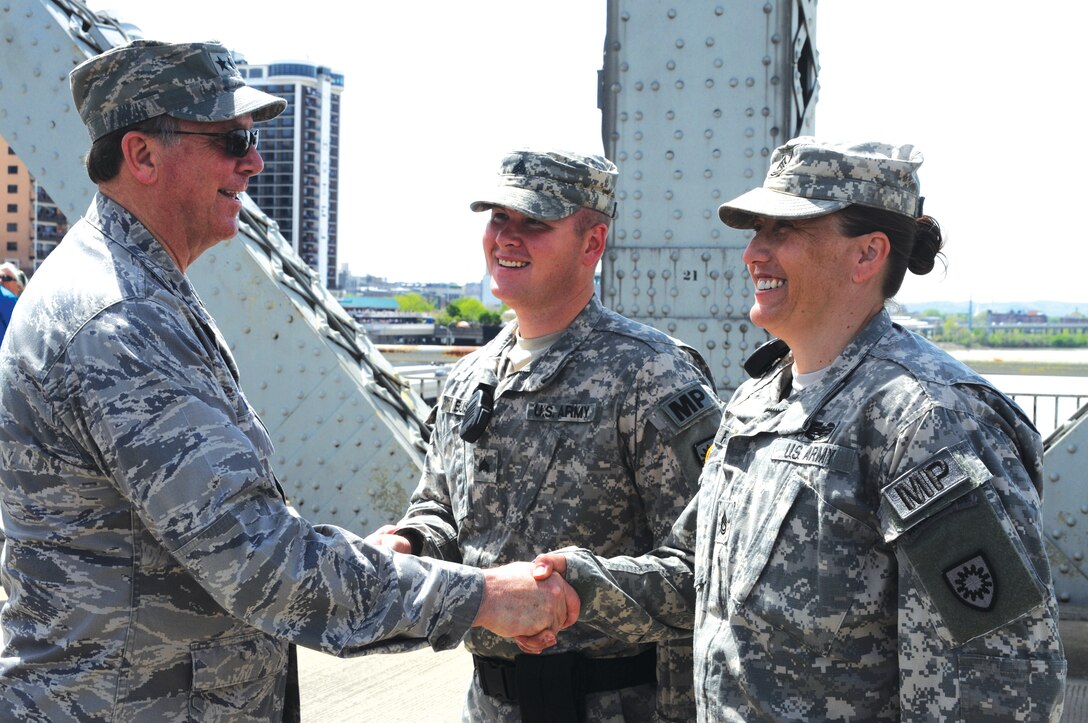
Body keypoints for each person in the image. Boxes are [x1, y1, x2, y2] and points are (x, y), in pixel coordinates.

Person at [0, 40, 577, 721]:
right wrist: (485, 596)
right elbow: (261, 566)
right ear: (142, 155)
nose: (254, 160)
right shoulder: (119, 321)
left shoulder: (136, 292)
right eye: (230, 139)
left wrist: (377, 561)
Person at [530, 137, 1068, 720]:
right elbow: (696, 576)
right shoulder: (758, 403)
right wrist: (573, 587)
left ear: (866, 255)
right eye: (756, 231)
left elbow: (1000, 681)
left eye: (783, 231)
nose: (753, 253)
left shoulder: (927, 420)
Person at [367, 149, 723, 722]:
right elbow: (442, 510)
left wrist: (574, 594)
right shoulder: (470, 377)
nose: (507, 238)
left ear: (592, 243)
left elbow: (706, 571)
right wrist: (410, 542)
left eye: (534, 222)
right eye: (498, 218)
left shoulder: (650, 374)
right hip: (490, 703)